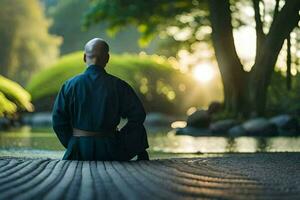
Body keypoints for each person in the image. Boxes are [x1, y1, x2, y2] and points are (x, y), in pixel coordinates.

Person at [52, 38, 149, 161]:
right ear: (107, 58)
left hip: (78, 150)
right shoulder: (119, 85)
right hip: (111, 149)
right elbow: (138, 115)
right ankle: (142, 155)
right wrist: (121, 138)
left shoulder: (69, 85)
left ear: (84, 57)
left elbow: (58, 121)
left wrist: (72, 143)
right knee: (139, 128)